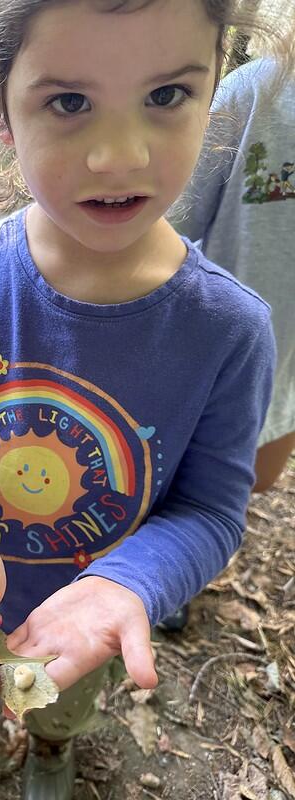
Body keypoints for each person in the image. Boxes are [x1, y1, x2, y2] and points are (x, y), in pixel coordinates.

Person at [0, 2, 285, 797]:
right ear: (2, 109)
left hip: (84, 620)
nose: (119, 155)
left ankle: (54, 747)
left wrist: (126, 585)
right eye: (69, 101)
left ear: (217, 93)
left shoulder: (231, 330)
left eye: (166, 95)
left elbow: (209, 509)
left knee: (57, 701)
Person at [173, 56, 295, 495]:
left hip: (283, 385)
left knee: (239, 492)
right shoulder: (259, 90)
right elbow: (163, 229)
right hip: (196, 368)